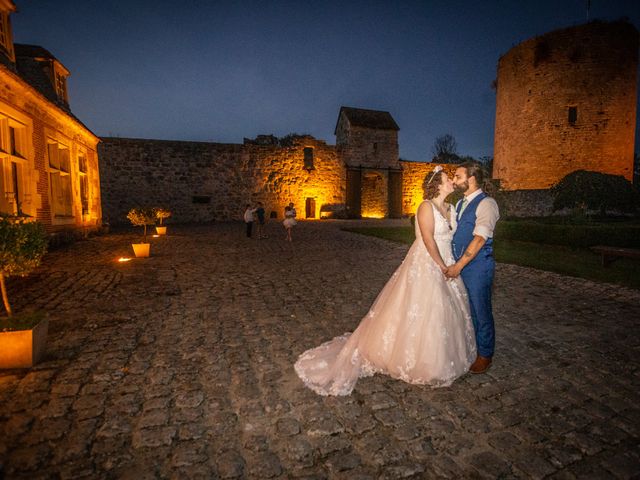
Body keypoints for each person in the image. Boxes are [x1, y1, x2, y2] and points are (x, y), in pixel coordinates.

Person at [294, 167, 476, 396]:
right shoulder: (425, 207)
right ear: (437, 185)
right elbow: (428, 240)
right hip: (428, 263)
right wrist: (442, 267)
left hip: (448, 261)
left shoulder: (450, 208)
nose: (451, 181)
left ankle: (445, 356)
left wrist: (454, 264)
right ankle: (421, 361)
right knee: (426, 308)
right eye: (447, 179)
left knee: (447, 310)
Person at [445, 162, 500, 374]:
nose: (454, 180)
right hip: (459, 264)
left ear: (471, 179)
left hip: (477, 267)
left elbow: (479, 239)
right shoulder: (459, 204)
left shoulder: (487, 204)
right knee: (463, 310)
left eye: (457, 177)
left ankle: (485, 355)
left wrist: (458, 265)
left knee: (480, 310)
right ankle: (470, 347)